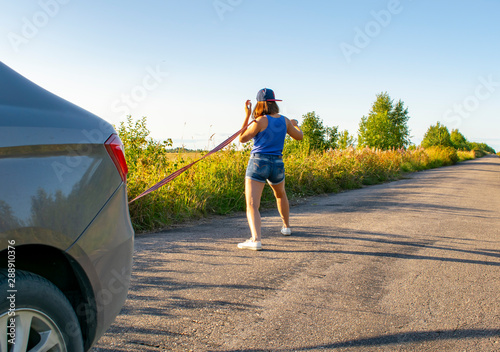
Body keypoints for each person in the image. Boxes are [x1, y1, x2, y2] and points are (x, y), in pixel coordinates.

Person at [237, 88, 303, 250]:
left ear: (259, 104)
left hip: (259, 162)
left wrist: (246, 115)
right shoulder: (285, 120)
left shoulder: (259, 121)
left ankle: (256, 239)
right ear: (274, 103)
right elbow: (299, 136)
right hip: (277, 163)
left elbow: (242, 138)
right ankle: (286, 227)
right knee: (280, 194)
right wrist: (295, 125)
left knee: (252, 204)